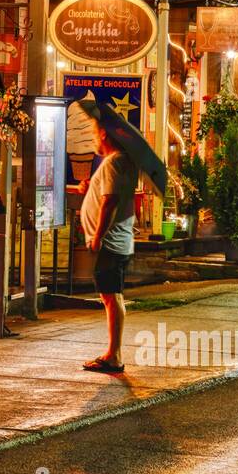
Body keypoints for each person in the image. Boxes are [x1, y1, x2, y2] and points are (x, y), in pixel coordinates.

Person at [79, 114, 140, 374]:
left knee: (110, 295)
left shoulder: (114, 162)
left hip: (111, 242)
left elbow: (110, 201)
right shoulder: (120, 162)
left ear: (104, 133)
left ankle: (113, 355)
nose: (93, 136)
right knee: (111, 294)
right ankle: (112, 353)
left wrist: (98, 235)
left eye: (95, 131)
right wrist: (88, 187)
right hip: (117, 241)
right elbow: (108, 193)